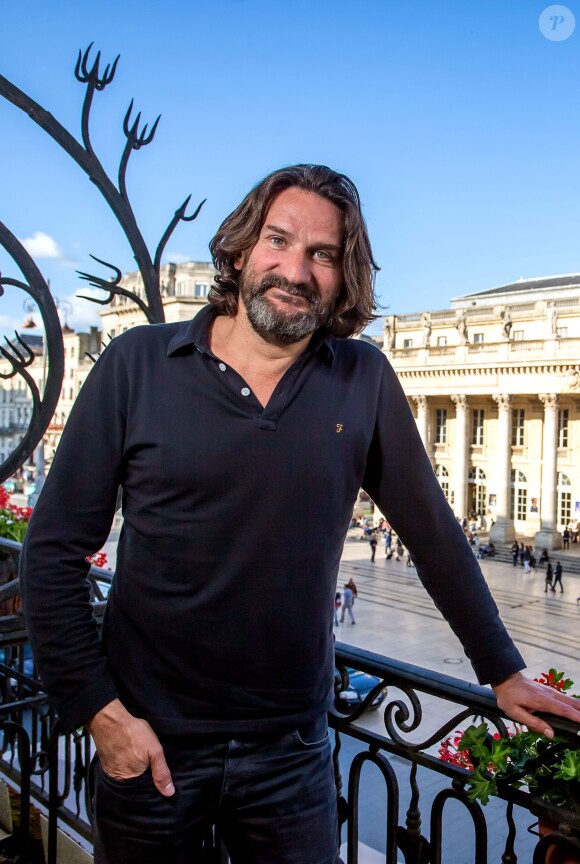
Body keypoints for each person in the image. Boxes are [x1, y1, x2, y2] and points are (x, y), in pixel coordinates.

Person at [20, 164, 580, 864]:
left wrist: (502, 669)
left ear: (344, 279)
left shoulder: (362, 378)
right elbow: (50, 553)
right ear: (241, 249)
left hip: (292, 753)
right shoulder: (137, 366)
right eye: (278, 240)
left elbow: (434, 536)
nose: (296, 268)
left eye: (323, 254)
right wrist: (101, 715)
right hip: (151, 744)